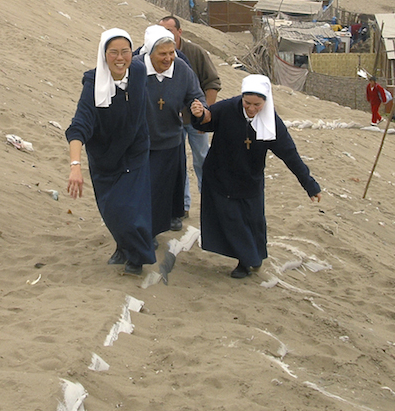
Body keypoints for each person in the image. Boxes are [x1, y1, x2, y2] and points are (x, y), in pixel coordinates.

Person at [191, 74, 322, 279]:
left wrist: (310, 185)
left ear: (266, 102)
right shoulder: (228, 108)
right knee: (231, 219)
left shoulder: (273, 123)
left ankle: (252, 258)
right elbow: (206, 122)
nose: (251, 109)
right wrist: (200, 114)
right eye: (247, 103)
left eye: (257, 105)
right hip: (220, 175)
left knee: (252, 221)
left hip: (249, 178)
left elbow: (290, 155)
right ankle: (244, 262)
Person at [65, 28, 156, 276]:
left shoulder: (138, 71)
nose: (120, 58)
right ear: (103, 55)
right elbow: (77, 128)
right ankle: (124, 246)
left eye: (125, 52)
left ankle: (137, 259)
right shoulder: (93, 85)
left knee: (130, 211)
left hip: (136, 152)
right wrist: (75, 166)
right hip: (105, 159)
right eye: (113, 52)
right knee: (113, 212)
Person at [138, 25, 207, 239]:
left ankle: (163, 223)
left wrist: (198, 108)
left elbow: (196, 95)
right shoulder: (136, 69)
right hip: (142, 141)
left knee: (167, 187)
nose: (168, 59)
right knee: (146, 189)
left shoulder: (182, 70)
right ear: (150, 53)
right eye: (162, 54)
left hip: (171, 139)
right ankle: (147, 232)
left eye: (172, 53)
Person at [159, 16, 221, 223]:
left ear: (179, 32)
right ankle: (182, 207)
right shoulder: (155, 54)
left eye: (170, 30)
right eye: (162, 30)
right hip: (170, 122)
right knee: (178, 164)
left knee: (203, 160)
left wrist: (206, 115)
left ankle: (211, 205)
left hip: (196, 120)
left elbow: (212, 82)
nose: (166, 34)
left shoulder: (194, 52)